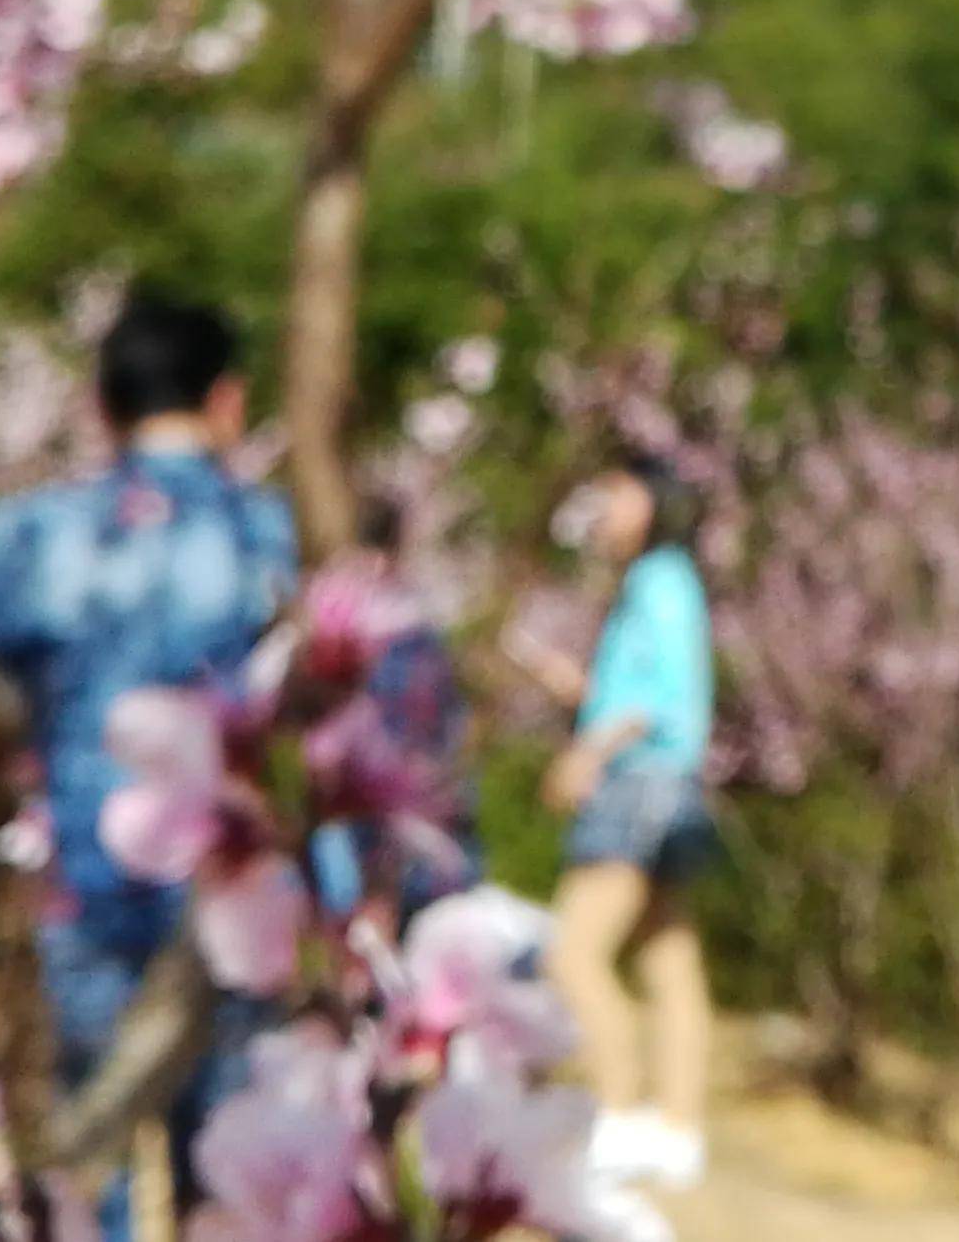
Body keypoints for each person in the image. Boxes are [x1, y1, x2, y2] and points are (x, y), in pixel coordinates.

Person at [0, 292, 299, 1242]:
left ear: (101, 408)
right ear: (230, 402)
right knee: (229, 1195)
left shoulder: (27, 536)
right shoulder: (272, 541)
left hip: (65, 904)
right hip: (230, 911)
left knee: (68, 1187)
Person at [519, 459, 718, 1192]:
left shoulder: (654, 581)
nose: (601, 506)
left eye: (614, 492)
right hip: (674, 784)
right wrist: (582, 691)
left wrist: (585, 750)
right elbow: (646, 688)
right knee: (668, 958)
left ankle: (617, 1114)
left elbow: (655, 702)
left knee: (575, 952)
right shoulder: (672, 582)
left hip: (637, 783)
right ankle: (678, 1128)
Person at [303, 492, 478, 936]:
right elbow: (439, 707)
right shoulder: (413, 606)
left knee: (344, 902)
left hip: (340, 767)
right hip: (404, 777)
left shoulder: (332, 591)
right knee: (395, 897)